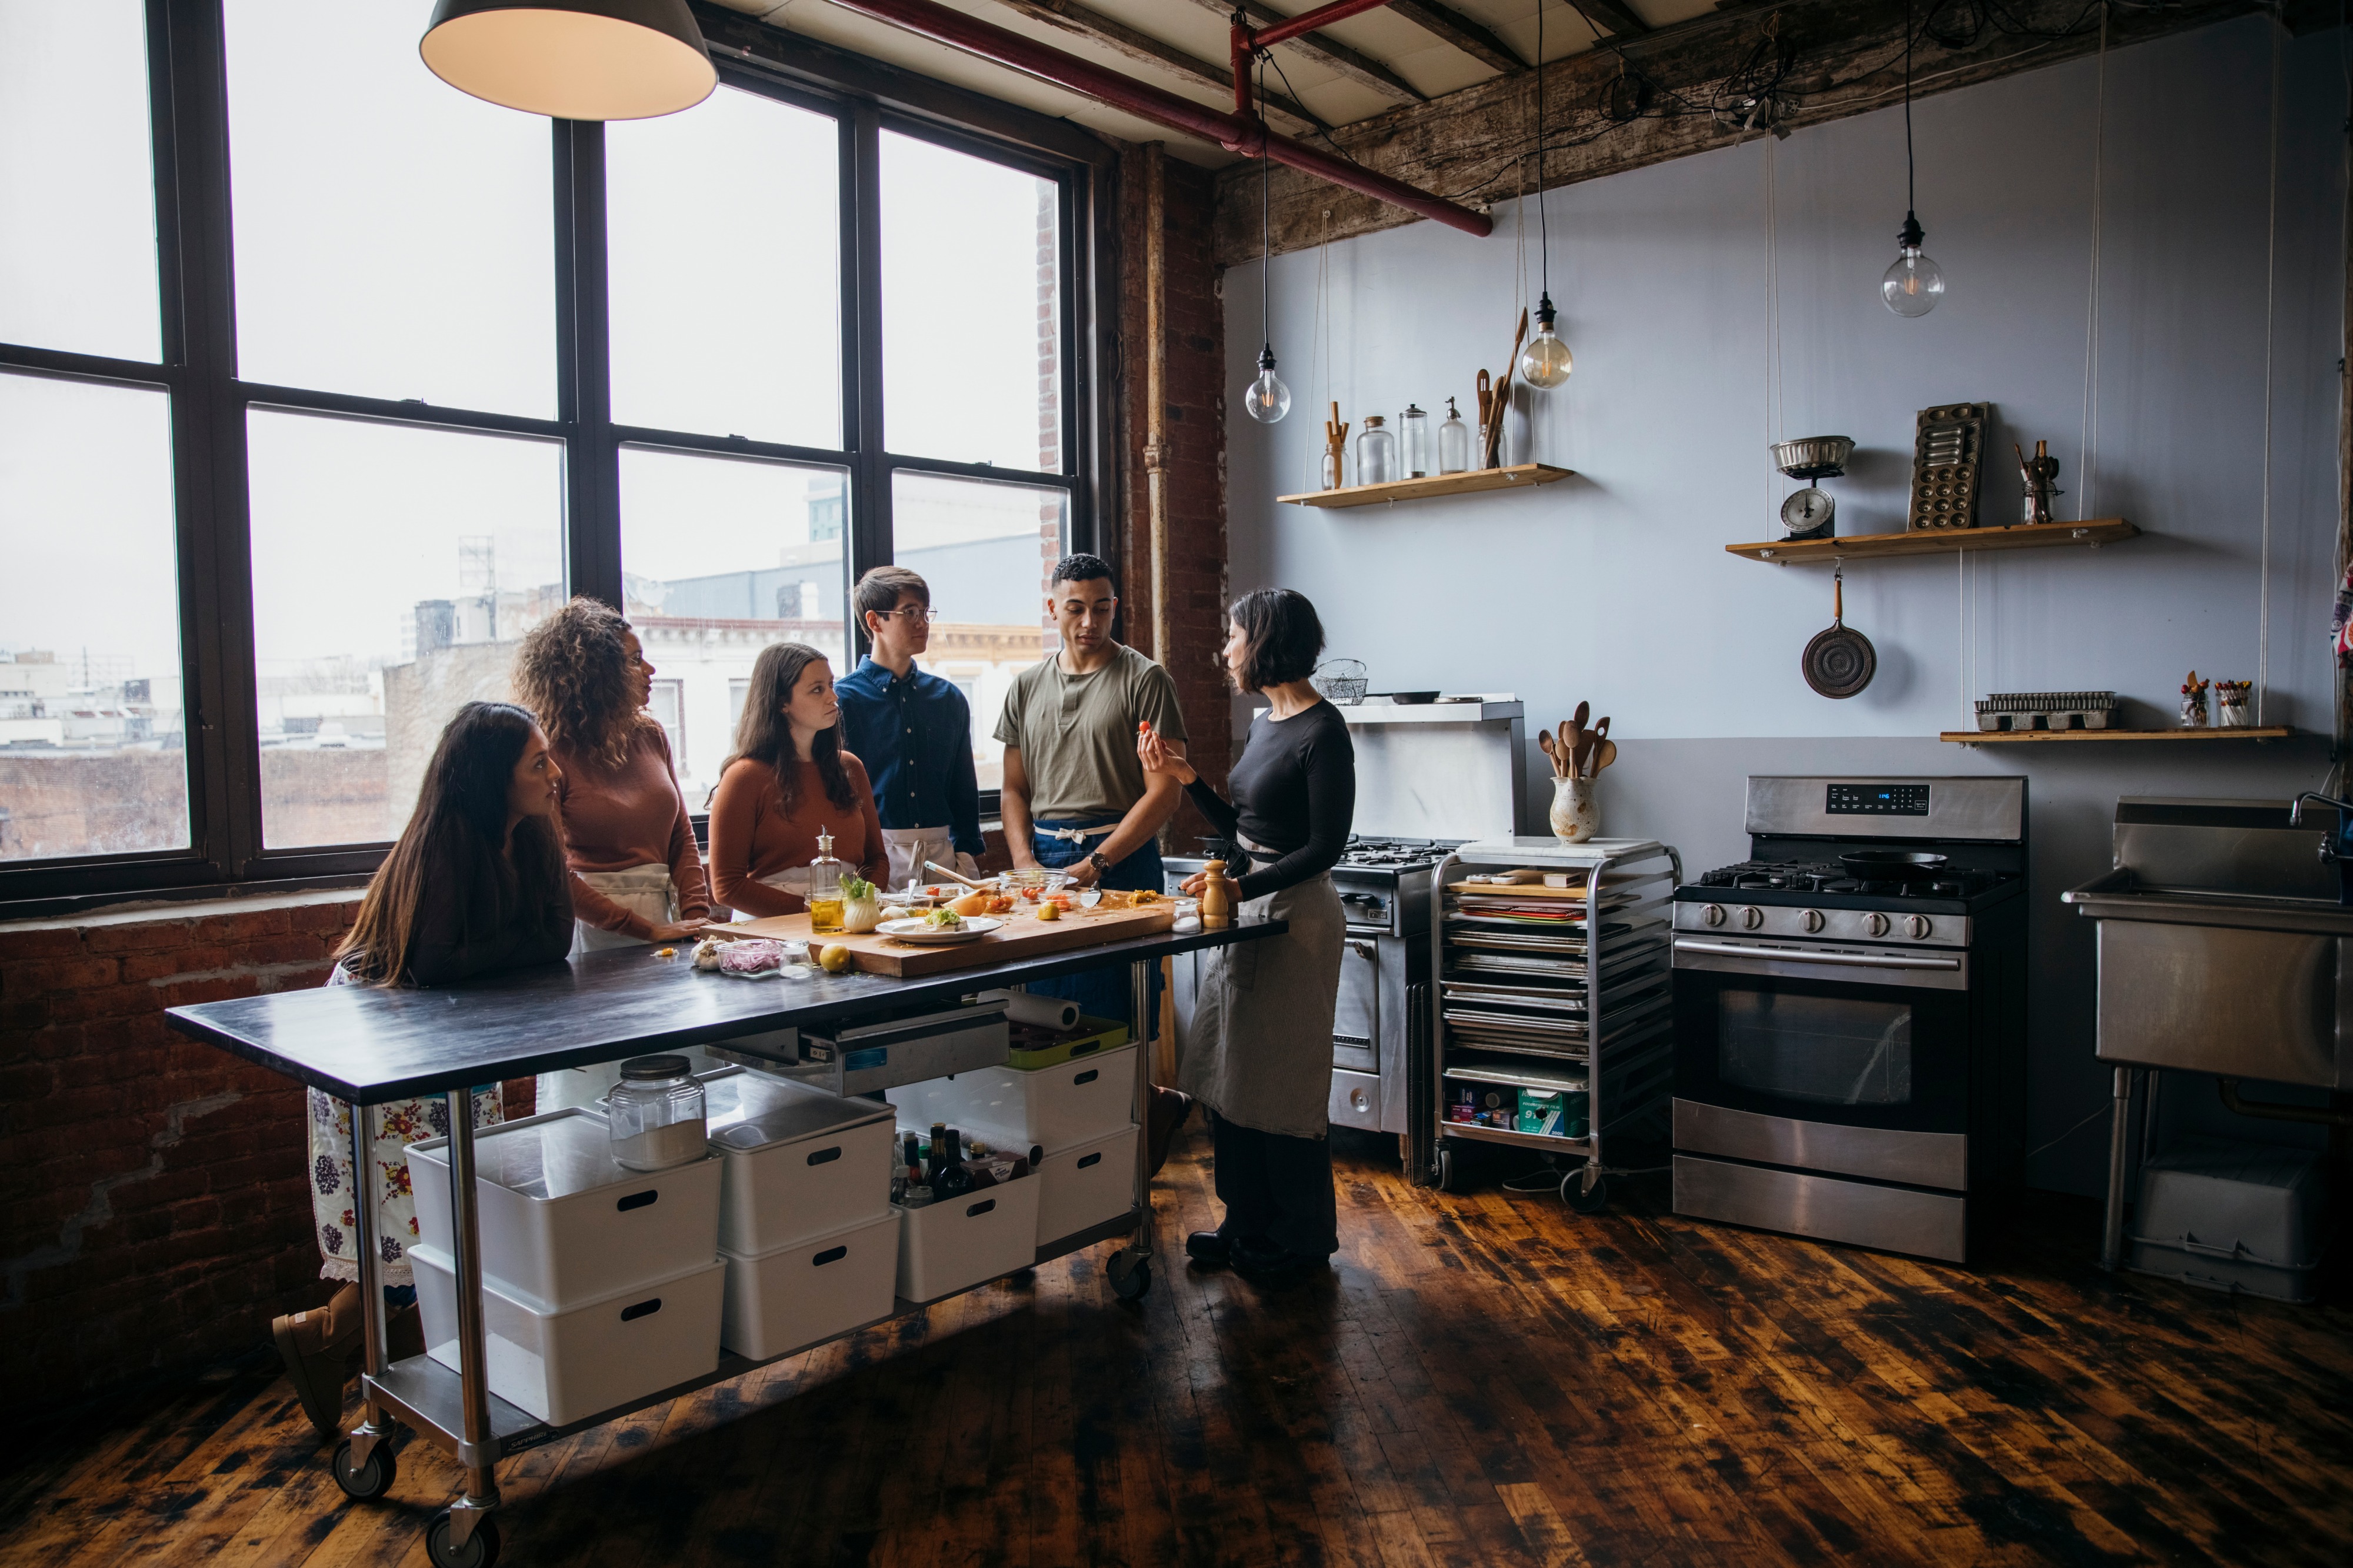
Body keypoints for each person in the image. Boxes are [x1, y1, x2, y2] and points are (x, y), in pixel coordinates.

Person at [272, 701, 576, 1440]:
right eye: (537, 763)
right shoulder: (445, 843)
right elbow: (441, 960)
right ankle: (333, 1335)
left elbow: (556, 940)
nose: (554, 774)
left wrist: (501, 952)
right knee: (413, 1213)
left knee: (452, 1204)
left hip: (449, 1041)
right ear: (489, 779)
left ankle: (330, 1336)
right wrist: (512, 948)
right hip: (381, 1045)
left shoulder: (529, 835)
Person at [1139, 589, 1354, 1287]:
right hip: (1247, 911)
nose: (1224, 649)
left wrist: (1240, 888)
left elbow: (1325, 847)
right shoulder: (1267, 724)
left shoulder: (1326, 731)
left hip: (1296, 922)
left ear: (1262, 641)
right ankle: (1245, 1221)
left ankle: (1300, 1237)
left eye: (1232, 636)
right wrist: (1186, 777)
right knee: (1231, 1074)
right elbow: (1245, 833)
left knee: (1284, 1083)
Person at [514, 598, 715, 1107]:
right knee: (600, 1090)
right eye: (634, 661)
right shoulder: (550, 751)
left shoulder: (650, 734)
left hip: (667, 930)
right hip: (592, 934)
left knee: (676, 1077)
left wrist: (696, 917)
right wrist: (645, 929)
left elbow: (681, 839)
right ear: (593, 674)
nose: (650, 671)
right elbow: (552, 874)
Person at [707, 641, 888, 918]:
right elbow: (727, 886)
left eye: (831, 684)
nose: (833, 697)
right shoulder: (743, 778)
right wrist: (816, 911)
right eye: (818, 689)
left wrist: (859, 905)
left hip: (849, 921)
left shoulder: (850, 767)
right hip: (772, 928)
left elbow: (876, 859)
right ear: (782, 703)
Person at [834, 566, 985, 890]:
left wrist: (966, 853)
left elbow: (964, 789)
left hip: (944, 860)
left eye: (925, 612)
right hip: (870, 862)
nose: (923, 623)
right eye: (910, 612)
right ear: (875, 621)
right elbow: (833, 794)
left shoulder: (948, 698)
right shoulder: (842, 700)